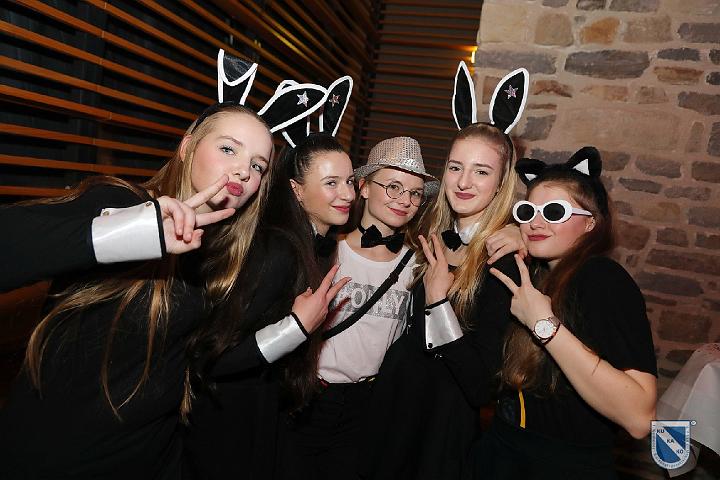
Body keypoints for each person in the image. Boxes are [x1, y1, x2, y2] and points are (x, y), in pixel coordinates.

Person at [0, 51, 333, 479]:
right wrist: (136, 232)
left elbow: (205, 364)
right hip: (57, 458)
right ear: (187, 146)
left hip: (154, 460)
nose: (242, 171)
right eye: (228, 148)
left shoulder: (225, 256)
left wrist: (294, 328)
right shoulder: (120, 203)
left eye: (257, 166)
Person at [358, 62, 530, 480]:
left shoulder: (504, 261)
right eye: (455, 167)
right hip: (391, 408)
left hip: (439, 429)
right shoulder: (427, 232)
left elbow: (480, 385)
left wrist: (439, 302)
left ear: (501, 182)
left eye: (481, 171)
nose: (464, 182)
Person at [183, 131, 356, 480]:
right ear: (296, 190)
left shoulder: (315, 246)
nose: (348, 194)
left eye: (350, 181)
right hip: (227, 428)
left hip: (263, 415)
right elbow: (210, 357)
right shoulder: (277, 249)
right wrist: (295, 328)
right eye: (331, 183)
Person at [480, 146, 657, 479]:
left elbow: (638, 417)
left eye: (554, 211)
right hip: (503, 454)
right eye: (527, 211)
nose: (535, 222)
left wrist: (543, 324)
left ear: (590, 223)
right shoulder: (534, 274)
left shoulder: (601, 278)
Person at [279, 136, 438, 480]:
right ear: (363, 187)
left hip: (370, 403)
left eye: (415, 193)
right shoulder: (326, 251)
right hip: (312, 398)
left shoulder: (419, 265)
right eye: (393, 187)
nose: (405, 200)